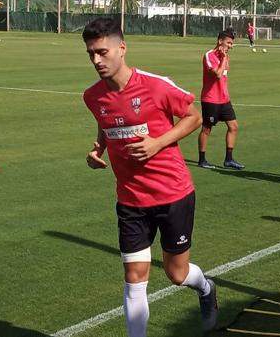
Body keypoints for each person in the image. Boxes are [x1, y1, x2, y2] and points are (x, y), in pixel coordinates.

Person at [81, 18, 218, 337]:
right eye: (91, 54)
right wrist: (98, 148)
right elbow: (108, 121)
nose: (97, 61)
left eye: (102, 52)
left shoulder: (155, 85)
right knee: (134, 279)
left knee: (176, 273)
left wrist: (158, 142)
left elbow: (194, 116)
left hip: (173, 195)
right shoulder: (92, 96)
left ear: (122, 48)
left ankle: (206, 288)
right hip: (130, 200)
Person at [197, 29, 244, 170]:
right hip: (210, 100)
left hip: (224, 100)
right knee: (207, 129)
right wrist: (223, 58)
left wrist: (224, 58)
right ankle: (202, 160)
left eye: (231, 43)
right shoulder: (209, 56)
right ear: (220, 41)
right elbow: (217, 75)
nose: (230, 46)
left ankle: (228, 159)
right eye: (228, 43)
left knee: (233, 126)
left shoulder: (226, 57)